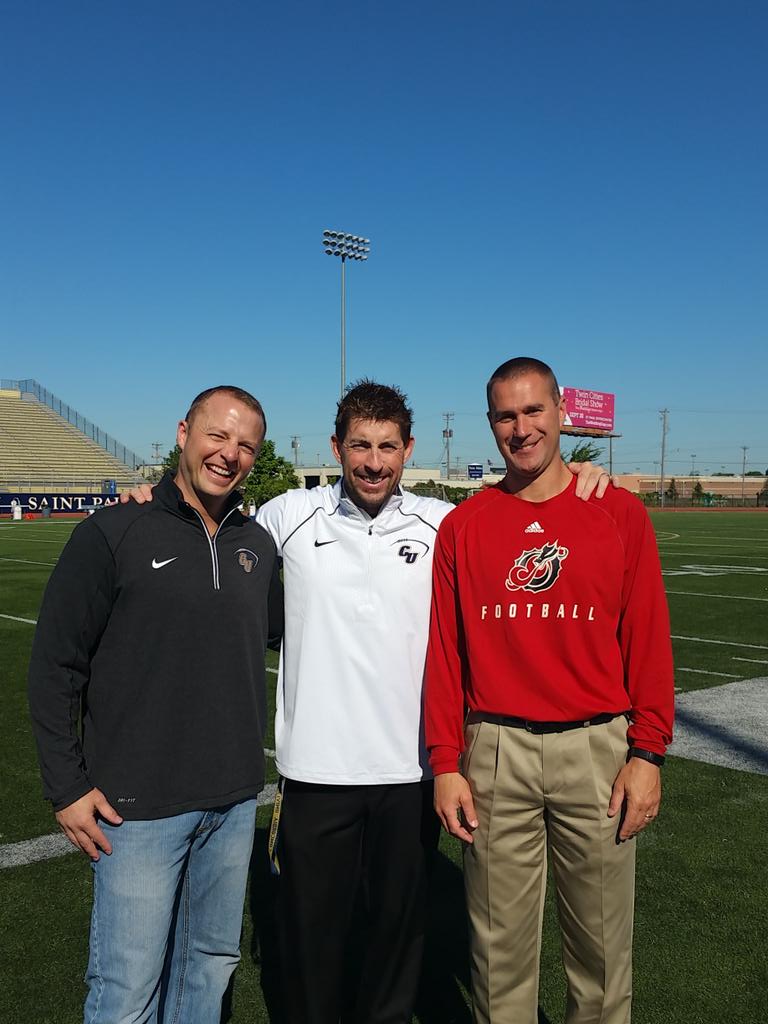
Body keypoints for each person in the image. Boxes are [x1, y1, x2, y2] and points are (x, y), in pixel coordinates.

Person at [123, 378, 612, 1024]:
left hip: (410, 776)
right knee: (310, 950)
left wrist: (583, 476)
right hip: (315, 776)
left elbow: (524, 507)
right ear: (337, 446)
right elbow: (207, 533)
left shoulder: (446, 523)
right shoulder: (283, 518)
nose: (373, 461)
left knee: (394, 951)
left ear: (408, 450)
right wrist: (152, 504)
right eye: (359, 445)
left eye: (387, 446)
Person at [425, 357, 674, 1024]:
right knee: (497, 961)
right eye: (506, 415)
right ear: (490, 424)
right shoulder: (464, 526)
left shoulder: (619, 515)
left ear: (561, 411)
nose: (521, 427)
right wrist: (445, 764)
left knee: (600, 961)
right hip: (496, 751)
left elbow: (648, 642)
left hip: (597, 751)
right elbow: (445, 657)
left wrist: (648, 755)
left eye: (533, 410)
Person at [28, 386, 283, 1024]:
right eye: (217, 436)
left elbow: (281, 633)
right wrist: (66, 787)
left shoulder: (258, 544)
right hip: (135, 812)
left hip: (231, 804)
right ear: (183, 432)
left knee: (208, 972)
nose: (229, 454)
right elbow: (56, 664)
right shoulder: (115, 529)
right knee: (126, 990)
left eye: (245, 444)